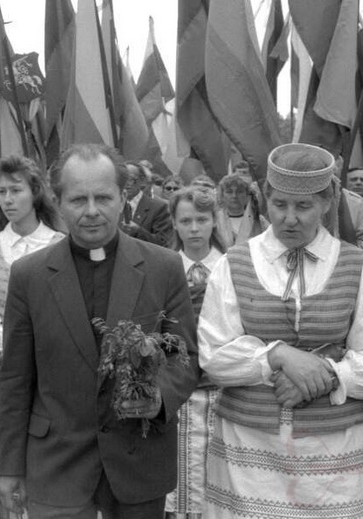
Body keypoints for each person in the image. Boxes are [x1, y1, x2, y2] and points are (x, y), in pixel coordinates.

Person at [199, 143, 363, 518]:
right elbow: (214, 356)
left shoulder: (356, 267)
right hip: (250, 454)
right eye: (279, 205)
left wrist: (326, 373)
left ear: (327, 203)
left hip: (334, 456)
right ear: (266, 202)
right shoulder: (234, 264)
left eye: (303, 206)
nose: (289, 219)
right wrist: (278, 356)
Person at [0, 144, 199, 518]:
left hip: (138, 461)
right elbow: (15, 380)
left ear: (123, 199)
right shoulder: (28, 276)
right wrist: (8, 467)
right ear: (57, 202)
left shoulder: (164, 268)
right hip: (57, 463)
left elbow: (185, 358)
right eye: (78, 199)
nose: (91, 211)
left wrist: (158, 399)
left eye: (103, 197)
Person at [0, 155, 65, 518]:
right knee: (6, 442)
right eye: (2, 192)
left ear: (35, 193)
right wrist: (9, 348)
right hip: (3, 365)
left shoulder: (59, 244)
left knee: (48, 435)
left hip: (51, 363)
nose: (9, 199)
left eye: (16, 190)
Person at [164, 187, 224, 518]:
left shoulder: (232, 267)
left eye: (202, 219)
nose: (194, 229)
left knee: (219, 474)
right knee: (181, 475)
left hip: (223, 390)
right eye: (185, 221)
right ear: (174, 224)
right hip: (180, 392)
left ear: (214, 220)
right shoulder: (164, 267)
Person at [120, 161, 173, 247]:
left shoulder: (158, 207)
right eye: (123, 179)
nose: (126, 183)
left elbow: (164, 243)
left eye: (130, 179)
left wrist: (138, 231)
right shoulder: (113, 205)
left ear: (142, 181)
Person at [215, 173, 269, 249]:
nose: (234, 196)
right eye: (229, 192)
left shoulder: (259, 221)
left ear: (247, 195)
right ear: (222, 195)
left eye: (239, 191)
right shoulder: (215, 220)